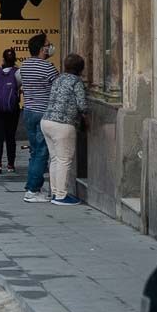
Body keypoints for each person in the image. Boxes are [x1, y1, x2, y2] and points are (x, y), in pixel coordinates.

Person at [41, 54, 90, 206]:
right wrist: (86, 114)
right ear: (81, 68)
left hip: (46, 121)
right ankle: (61, 196)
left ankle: (55, 192)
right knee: (64, 160)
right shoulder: (76, 81)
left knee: (55, 158)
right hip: (62, 124)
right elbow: (82, 105)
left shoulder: (58, 78)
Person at [19, 33, 59, 202]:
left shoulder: (24, 66)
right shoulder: (48, 68)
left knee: (35, 150)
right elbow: (57, 86)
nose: (51, 47)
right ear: (42, 49)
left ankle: (33, 185)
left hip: (28, 111)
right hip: (43, 112)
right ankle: (32, 190)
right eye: (48, 45)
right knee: (42, 152)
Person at [0, 48, 22, 174]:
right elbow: (19, 86)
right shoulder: (18, 72)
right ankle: (11, 165)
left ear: (3, 59)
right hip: (12, 108)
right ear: (15, 59)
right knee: (10, 136)